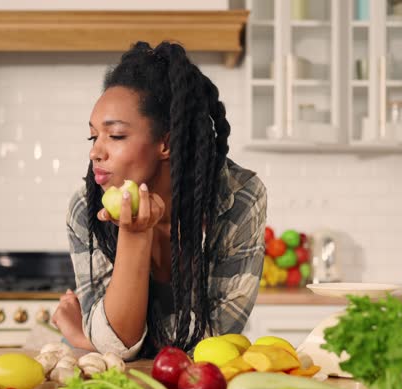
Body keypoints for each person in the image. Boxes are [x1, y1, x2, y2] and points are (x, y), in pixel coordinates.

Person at [52, 41, 267, 359]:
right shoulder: (87, 207)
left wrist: (85, 338)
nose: (95, 152)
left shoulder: (238, 198)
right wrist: (135, 235)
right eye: (93, 136)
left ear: (166, 143)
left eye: (115, 135)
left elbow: (213, 341)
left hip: (203, 381)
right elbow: (116, 345)